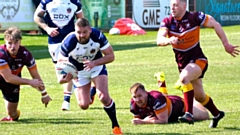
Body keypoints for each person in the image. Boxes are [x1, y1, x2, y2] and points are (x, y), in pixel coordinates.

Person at [156, 0, 240, 127]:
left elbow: (215, 24)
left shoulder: (195, 17)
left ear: (184, 6)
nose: (172, 8)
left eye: (175, 5)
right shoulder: (168, 21)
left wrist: (226, 44)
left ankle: (189, 114)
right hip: (183, 64)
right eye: (171, 5)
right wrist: (169, 40)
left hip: (198, 60)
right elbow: (159, 39)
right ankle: (217, 114)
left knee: (184, 78)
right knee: (200, 97)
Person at [57, 18, 122, 134]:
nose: (81, 35)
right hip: (79, 72)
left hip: (96, 66)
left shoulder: (97, 36)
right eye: (78, 32)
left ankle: (115, 126)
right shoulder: (69, 41)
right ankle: (92, 89)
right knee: (83, 105)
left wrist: (94, 63)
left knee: (104, 97)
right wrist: (66, 76)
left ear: (90, 30)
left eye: (84, 32)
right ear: (75, 30)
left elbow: (111, 56)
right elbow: (60, 63)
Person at [34, 0, 86, 111]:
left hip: (70, 40)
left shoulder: (75, 2)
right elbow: (37, 16)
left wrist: (80, 36)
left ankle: (66, 101)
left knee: (68, 68)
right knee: (61, 74)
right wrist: (47, 29)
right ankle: (86, 89)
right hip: (54, 42)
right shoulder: (46, 2)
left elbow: (82, 21)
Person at [0, 27, 52, 121]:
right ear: (5, 42)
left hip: (12, 82)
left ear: (20, 42)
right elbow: (8, 78)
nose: (13, 46)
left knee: (13, 114)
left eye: (16, 43)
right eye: (10, 43)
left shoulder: (26, 55)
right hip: (8, 78)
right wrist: (29, 82)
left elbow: (36, 76)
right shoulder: (1, 54)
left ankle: (13, 114)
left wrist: (44, 94)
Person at [129, 73, 209, 124]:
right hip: (165, 102)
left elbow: (163, 121)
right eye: (135, 97)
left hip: (179, 105)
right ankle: (161, 81)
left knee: (205, 116)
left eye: (140, 96)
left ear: (146, 93)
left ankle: (190, 97)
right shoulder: (133, 103)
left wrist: (144, 122)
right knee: (163, 99)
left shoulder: (156, 100)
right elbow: (137, 119)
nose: (137, 100)